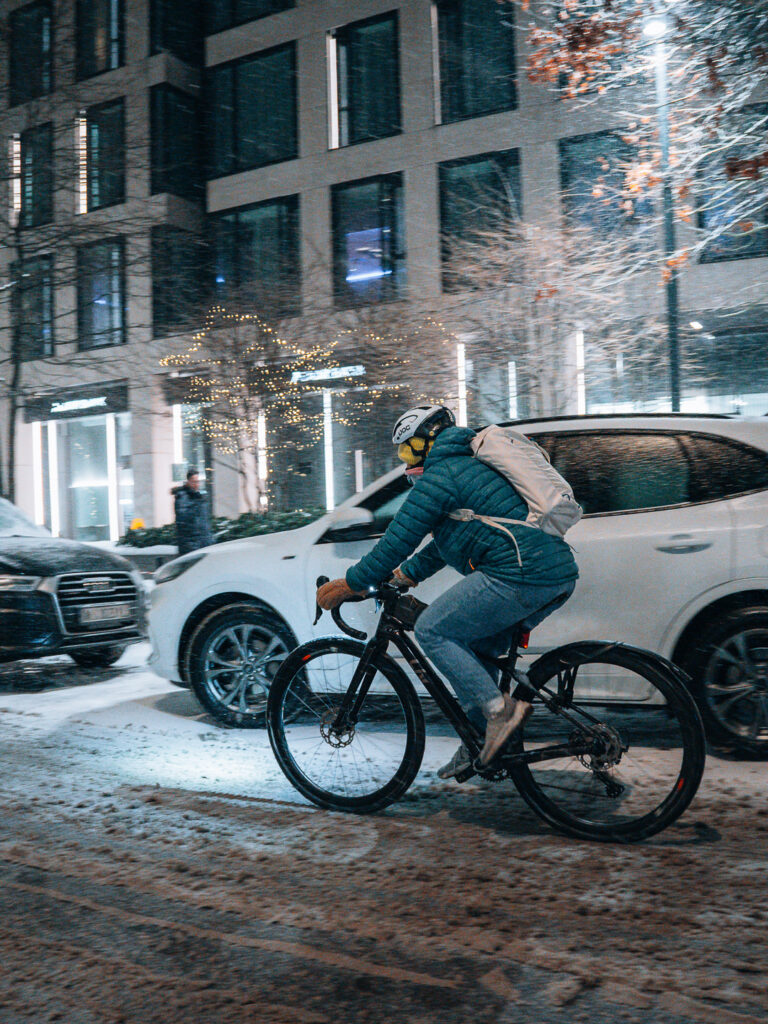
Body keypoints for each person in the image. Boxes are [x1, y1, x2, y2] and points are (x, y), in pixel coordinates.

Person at [316, 405, 579, 779]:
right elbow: (448, 539)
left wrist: (351, 582)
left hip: (519, 575)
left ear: (427, 441)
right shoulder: (464, 468)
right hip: (553, 574)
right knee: (476, 648)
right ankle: (480, 742)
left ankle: (500, 715)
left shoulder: (442, 475)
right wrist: (405, 575)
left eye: (407, 450)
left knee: (433, 630)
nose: (405, 461)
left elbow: (397, 539)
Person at [173, 468, 214, 556]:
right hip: (191, 547)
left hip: (202, 544)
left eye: (198, 481)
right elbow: (184, 523)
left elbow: (204, 523)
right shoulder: (183, 497)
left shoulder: (199, 497)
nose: (196, 484)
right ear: (188, 481)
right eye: (193, 481)